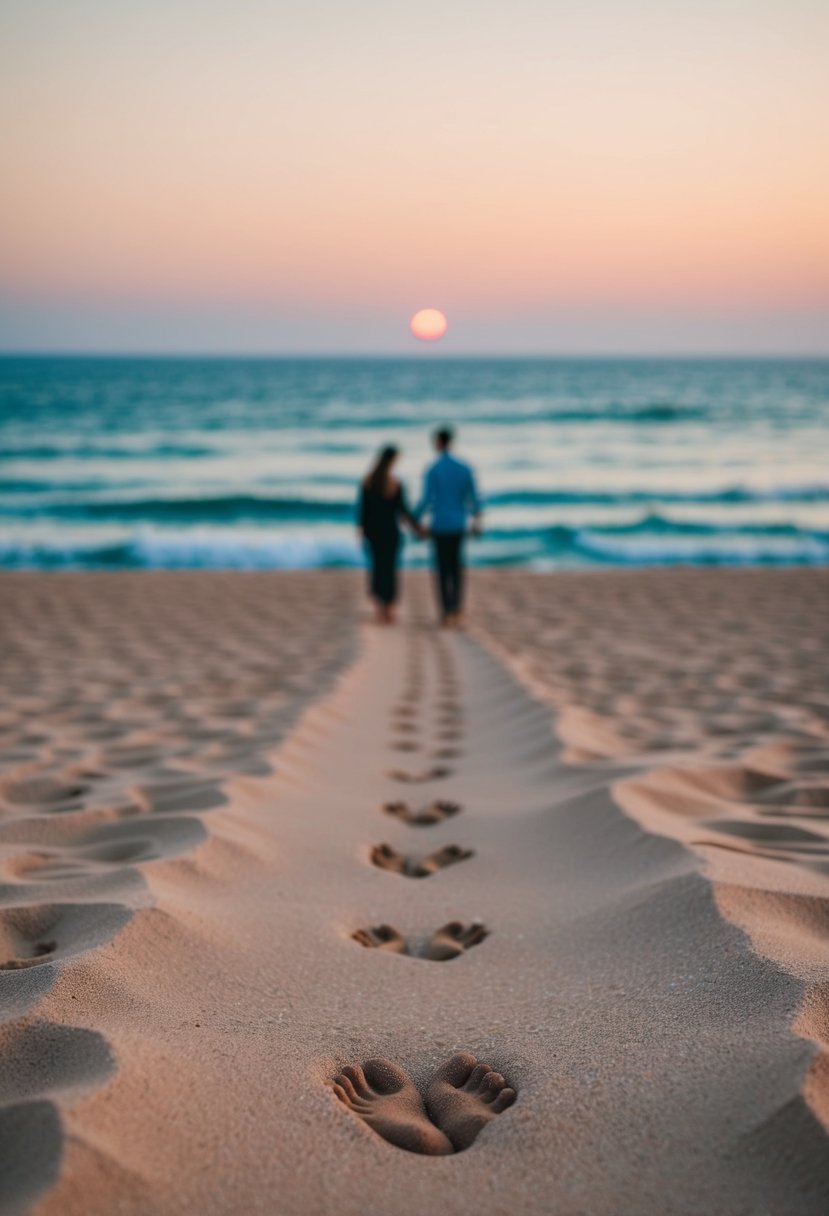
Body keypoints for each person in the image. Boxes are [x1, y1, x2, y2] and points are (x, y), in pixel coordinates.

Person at [414, 427, 482, 626]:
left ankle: (445, 611)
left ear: (438, 442)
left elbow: (426, 499)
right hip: (458, 524)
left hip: (440, 525)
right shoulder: (464, 468)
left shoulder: (433, 469)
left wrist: (414, 519)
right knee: (457, 567)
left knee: (442, 569)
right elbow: (473, 499)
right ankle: (457, 608)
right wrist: (476, 519)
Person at [357, 445, 422, 624]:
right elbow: (403, 511)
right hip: (391, 531)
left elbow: (363, 511)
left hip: (373, 531)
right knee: (391, 569)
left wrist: (361, 531)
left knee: (377, 568)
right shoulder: (395, 483)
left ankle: (379, 606)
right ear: (392, 460)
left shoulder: (368, 481)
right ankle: (389, 609)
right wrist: (417, 528)